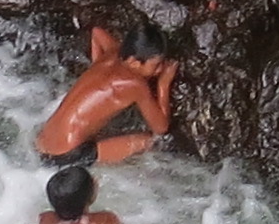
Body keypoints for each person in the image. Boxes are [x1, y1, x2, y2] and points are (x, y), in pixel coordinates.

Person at [35, 23, 177, 168]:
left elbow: (96, 32)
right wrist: (163, 84)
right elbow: (161, 128)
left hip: (41, 141)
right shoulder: (135, 84)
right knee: (152, 142)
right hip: (65, 155)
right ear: (134, 62)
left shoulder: (113, 51)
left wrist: (96, 67)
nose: (161, 69)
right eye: (157, 65)